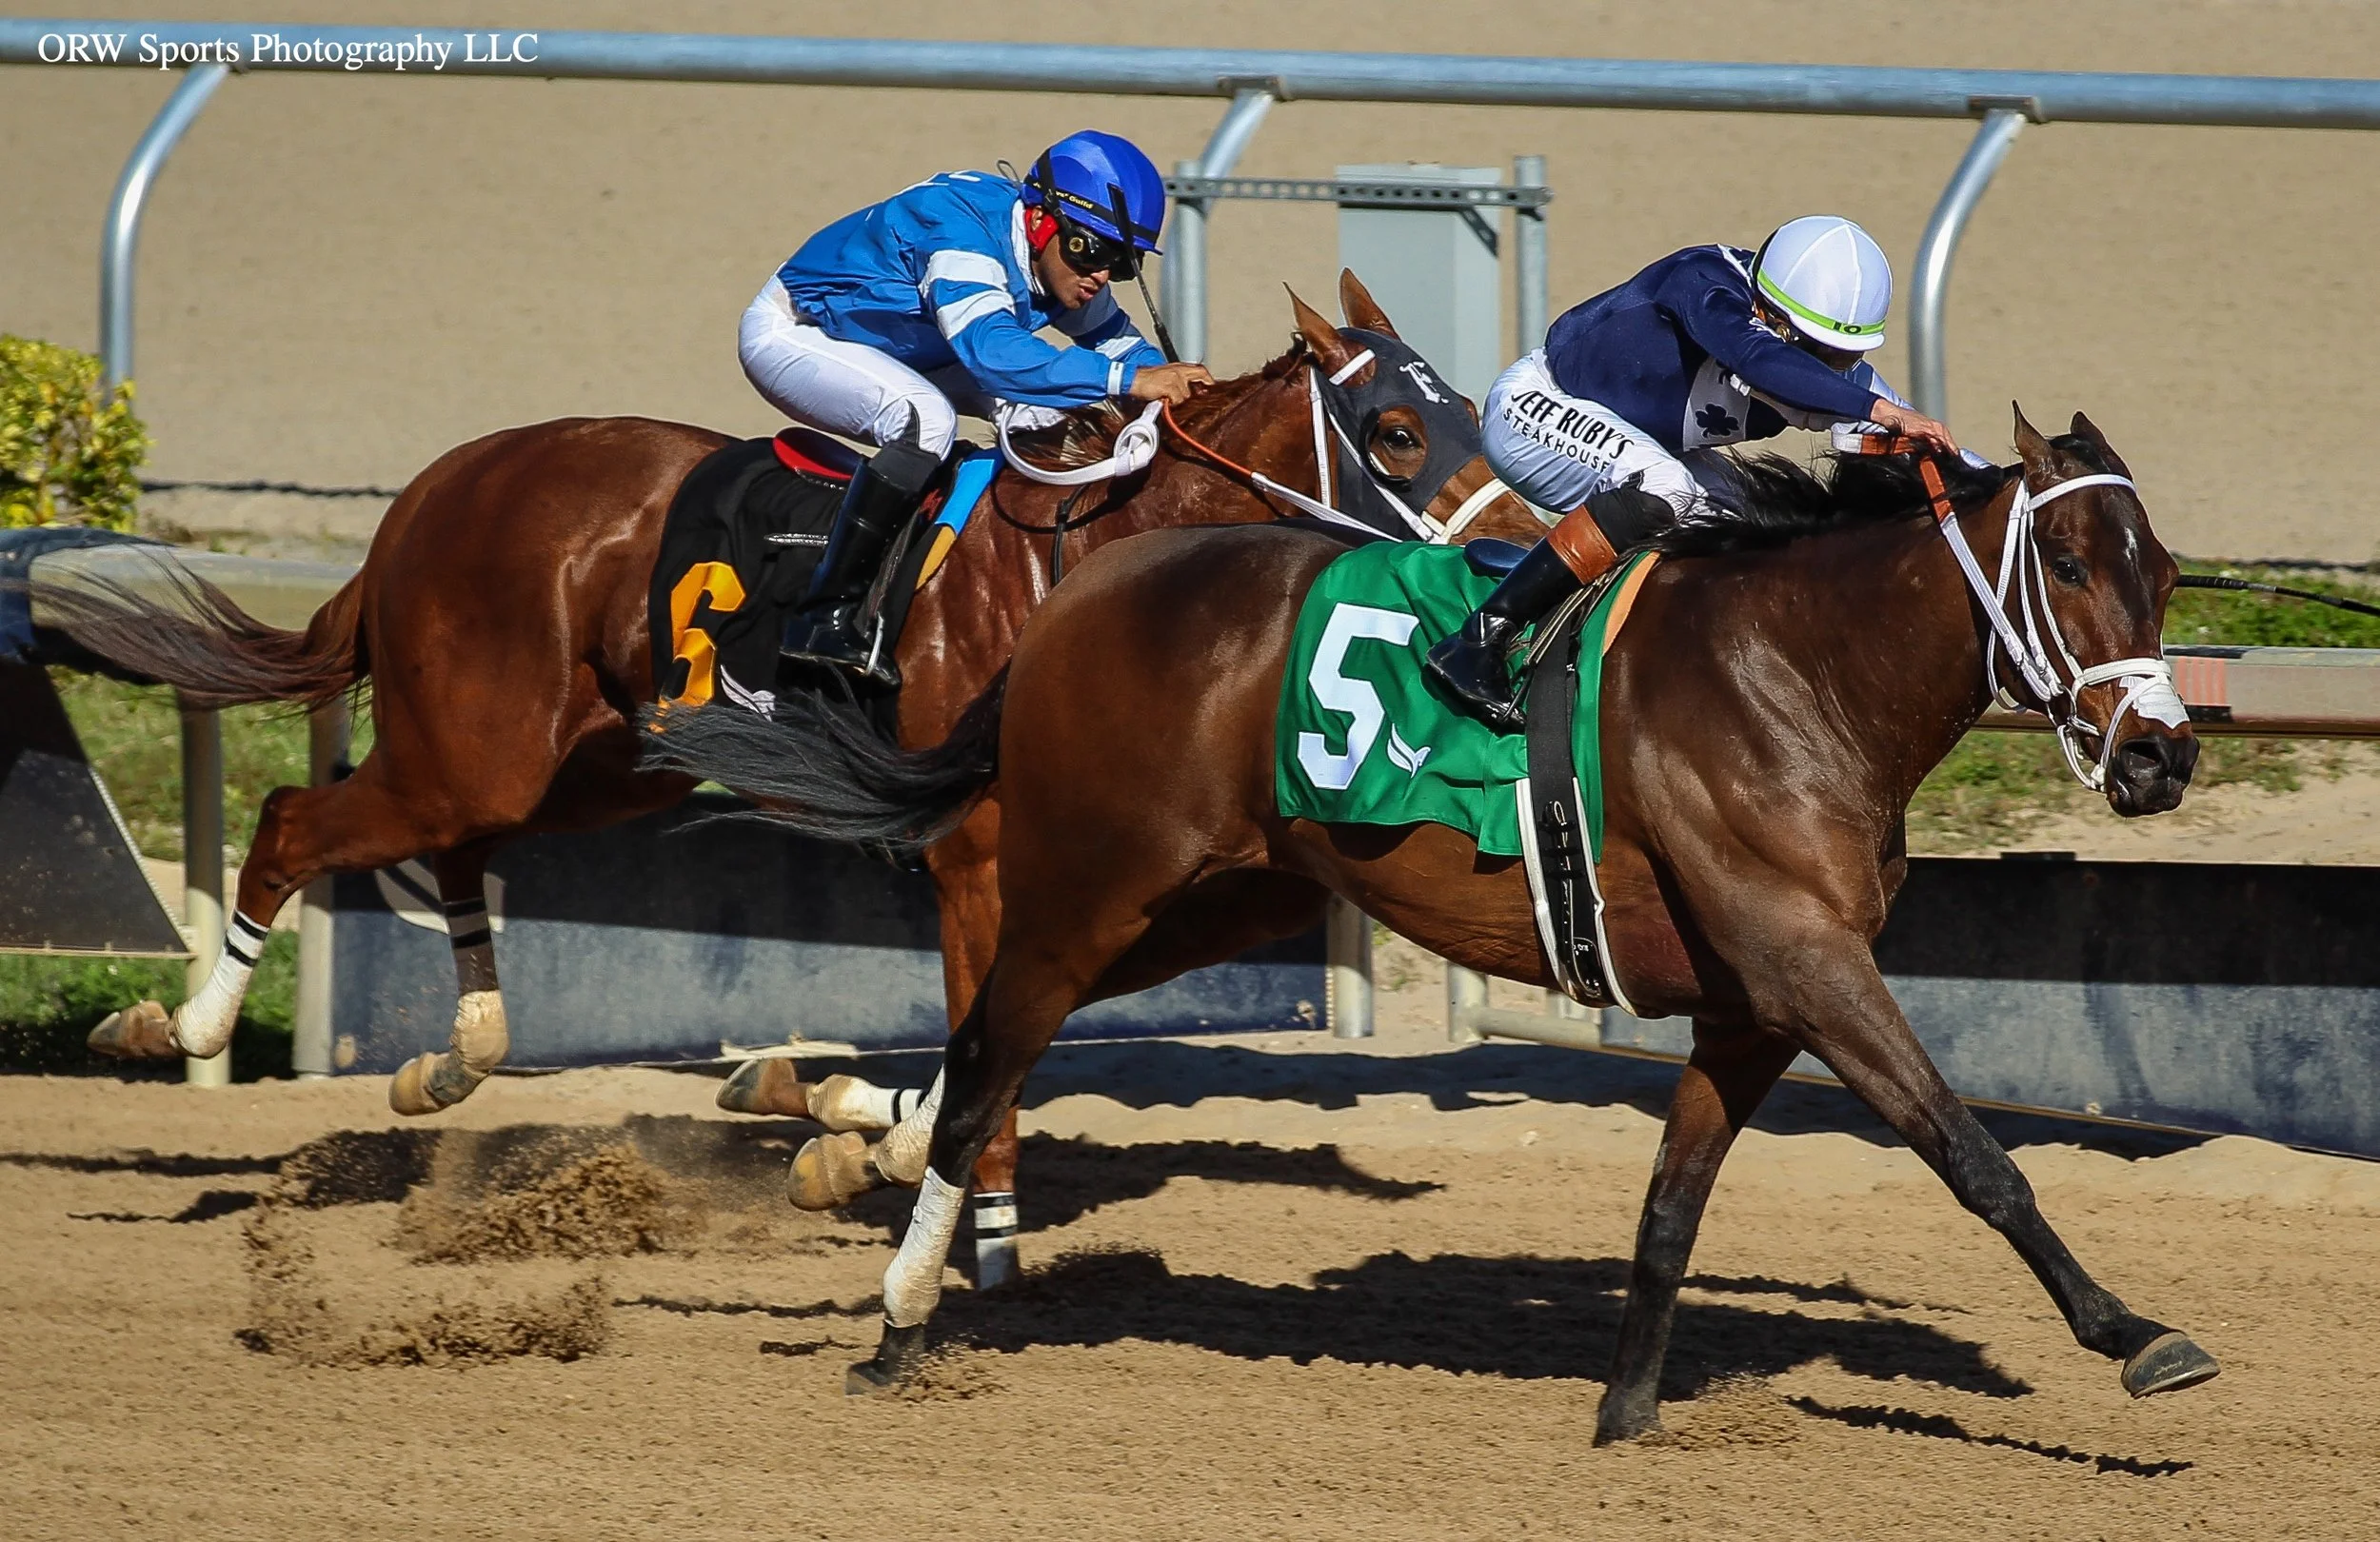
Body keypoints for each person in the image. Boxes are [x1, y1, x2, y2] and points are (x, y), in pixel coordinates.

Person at [1425, 215, 1962, 728]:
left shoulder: (1801, 344)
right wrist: (1872, 409)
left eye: (1844, 357)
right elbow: (1760, 361)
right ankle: (1479, 641)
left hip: (1641, 439)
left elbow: (1930, 450)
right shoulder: (1702, 283)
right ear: (1766, 311)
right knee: (1666, 489)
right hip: (1535, 408)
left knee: (1763, 524)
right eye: (1818, 351)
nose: (1830, 370)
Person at [739, 130, 1214, 684]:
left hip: (923, 346)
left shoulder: (1061, 260)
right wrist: (1132, 379)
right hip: (801, 331)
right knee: (926, 420)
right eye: (1093, 251)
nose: (1103, 275)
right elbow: (992, 354)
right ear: (1041, 221)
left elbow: (1124, 350)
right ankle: (824, 615)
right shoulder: (961, 232)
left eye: (1123, 262)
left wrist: (1190, 397)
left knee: (1051, 420)